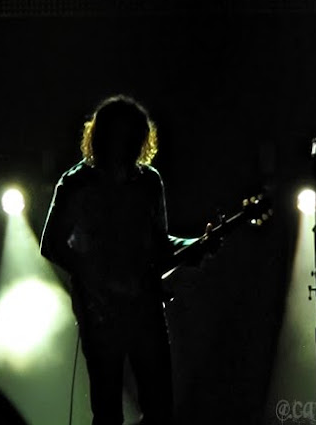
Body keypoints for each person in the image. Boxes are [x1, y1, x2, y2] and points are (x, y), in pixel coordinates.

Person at [40, 95, 203, 425]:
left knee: (159, 408)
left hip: (145, 309)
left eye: (133, 136)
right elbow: (51, 244)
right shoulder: (76, 183)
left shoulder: (148, 182)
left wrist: (196, 244)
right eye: (120, 134)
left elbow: (160, 243)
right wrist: (94, 278)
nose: (127, 143)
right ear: (104, 136)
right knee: (107, 410)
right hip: (100, 312)